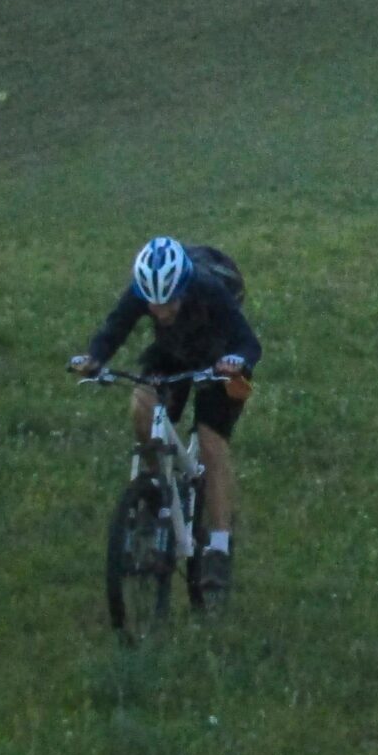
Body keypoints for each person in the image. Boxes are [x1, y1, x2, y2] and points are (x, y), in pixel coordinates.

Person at [70, 236, 262, 607]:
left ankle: (219, 545)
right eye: (153, 304)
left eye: (169, 302)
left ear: (184, 287)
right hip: (173, 354)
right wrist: (94, 358)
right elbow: (115, 327)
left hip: (218, 358)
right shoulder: (142, 291)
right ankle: (157, 489)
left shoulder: (209, 288)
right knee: (141, 404)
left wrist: (236, 363)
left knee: (210, 440)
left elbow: (249, 343)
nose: (160, 312)